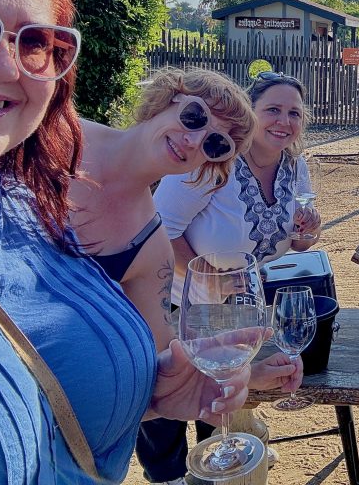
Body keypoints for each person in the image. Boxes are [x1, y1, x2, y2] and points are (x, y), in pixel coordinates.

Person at [0, 0, 282, 483]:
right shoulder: (30, 145)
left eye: (218, 146)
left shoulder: (141, 242)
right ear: (168, 97)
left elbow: (148, 356)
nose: (2, 69)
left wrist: (169, 388)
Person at [70, 67, 257, 485]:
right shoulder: (57, 137)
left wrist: (208, 382)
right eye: (194, 116)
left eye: (215, 143)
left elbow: (157, 379)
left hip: (64, 449)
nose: (193, 139)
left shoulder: (150, 246)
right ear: (168, 97)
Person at [155, 70, 322, 306]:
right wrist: (210, 279)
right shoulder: (215, 157)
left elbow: (300, 242)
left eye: (294, 113)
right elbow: (158, 227)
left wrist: (311, 229)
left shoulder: (295, 165)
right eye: (273, 109)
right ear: (249, 112)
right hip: (179, 307)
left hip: (243, 309)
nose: (284, 121)